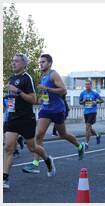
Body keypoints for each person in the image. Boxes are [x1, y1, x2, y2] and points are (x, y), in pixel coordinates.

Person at [22, 54, 85, 174]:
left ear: (49, 63)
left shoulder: (53, 74)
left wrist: (47, 89)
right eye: (40, 62)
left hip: (57, 109)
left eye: (43, 62)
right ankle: (35, 163)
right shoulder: (43, 76)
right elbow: (46, 92)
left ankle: (80, 146)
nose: (40, 64)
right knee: (39, 135)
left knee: (63, 134)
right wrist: (42, 98)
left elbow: (63, 90)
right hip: (45, 109)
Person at [4, 53, 55, 189]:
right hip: (12, 118)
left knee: (32, 147)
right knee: (8, 148)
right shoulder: (11, 78)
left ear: (24, 64)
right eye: (12, 61)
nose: (13, 63)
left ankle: (47, 160)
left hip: (26, 119)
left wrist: (18, 91)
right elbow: (11, 98)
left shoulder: (27, 79)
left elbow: (33, 100)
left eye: (16, 61)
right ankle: (4, 179)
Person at [79, 80, 102, 150]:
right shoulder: (82, 93)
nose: (87, 86)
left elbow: (101, 100)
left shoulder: (95, 93)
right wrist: (83, 101)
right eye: (86, 84)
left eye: (88, 84)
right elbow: (80, 102)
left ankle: (86, 143)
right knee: (89, 128)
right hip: (86, 112)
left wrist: (96, 102)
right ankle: (97, 135)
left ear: (91, 85)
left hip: (92, 112)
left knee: (87, 127)